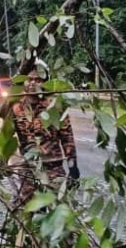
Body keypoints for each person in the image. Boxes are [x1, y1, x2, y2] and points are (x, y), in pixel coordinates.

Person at [9, 64, 79, 210]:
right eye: (29, 79)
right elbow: (6, 137)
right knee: (28, 213)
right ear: (23, 82)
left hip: (53, 167)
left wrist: (73, 168)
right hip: (28, 169)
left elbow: (67, 138)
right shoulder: (16, 107)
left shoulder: (55, 106)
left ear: (45, 82)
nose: (33, 83)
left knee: (61, 214)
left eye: (38, 79)